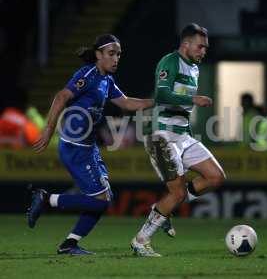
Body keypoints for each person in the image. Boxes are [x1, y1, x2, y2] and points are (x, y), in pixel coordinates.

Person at [27, 34, 154, 255]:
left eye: (119, 54)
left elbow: (127, 103)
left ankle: (70, 243)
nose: (116, 59)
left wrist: (160, 100)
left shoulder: (107, 80)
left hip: (89, 147)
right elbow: (61, 97)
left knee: (105, 198)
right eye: (111, 54)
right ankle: (47, 199)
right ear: (98, 55)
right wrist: (48, 129)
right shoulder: (88, 74)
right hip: (75, 147)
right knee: (101, 201)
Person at [130, 23, 226, 257]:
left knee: (215, 177)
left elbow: (180, 109)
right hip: (162, 136)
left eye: (206, 47)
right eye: (200, 46)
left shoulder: (194, 68)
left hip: (183, 136)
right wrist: (194, 99)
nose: (204, 51)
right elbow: (161, 94)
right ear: (186, 44)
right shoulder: (170, 61)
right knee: (178, 193)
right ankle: (140, 241)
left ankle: (163, 211)